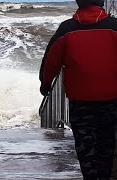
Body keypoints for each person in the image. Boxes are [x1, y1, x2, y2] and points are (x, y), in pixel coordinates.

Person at [39, 0, 117, 179]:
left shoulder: (67, 29)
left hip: (80, 103)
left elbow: (51, 60)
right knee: (107, 145)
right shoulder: (115, 27)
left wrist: (45, 83)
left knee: (85, 146)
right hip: (111, 101)